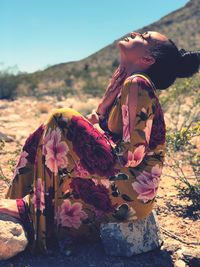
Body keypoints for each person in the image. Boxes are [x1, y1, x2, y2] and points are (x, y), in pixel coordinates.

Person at [0, 31, 199, 256]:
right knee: (54, 133)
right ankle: (31, 210)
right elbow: (99, 126)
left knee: (61, 118)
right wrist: (104, 105)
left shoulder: (137, 84)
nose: (135, 33)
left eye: (144, 37)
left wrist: (83, 160)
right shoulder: (128, 84)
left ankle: (29, 211)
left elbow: (133, 155)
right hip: (134, 196)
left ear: (147, 60)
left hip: (130, 188)